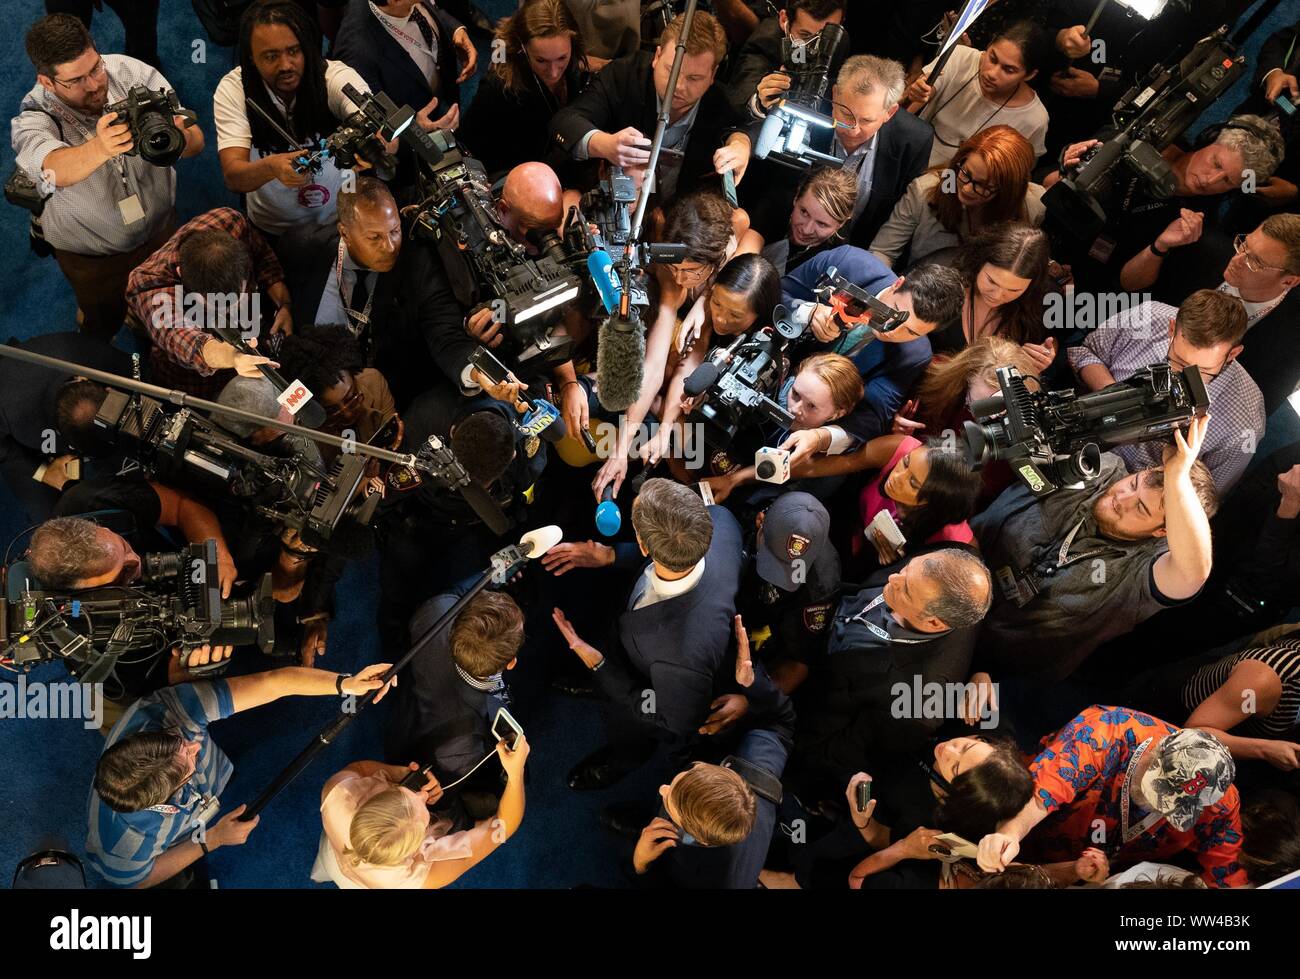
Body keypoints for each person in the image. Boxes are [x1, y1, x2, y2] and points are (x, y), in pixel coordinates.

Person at [551, 478, 790, 789]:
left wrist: (600, 665)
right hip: (636, 643)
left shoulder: (684, 657)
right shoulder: (722, 521)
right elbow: (674, 555)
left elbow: (673, 720)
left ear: (644, 545)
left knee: (630, 733)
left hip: (644, 689)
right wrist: (610, 556)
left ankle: (623, 760)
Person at [86, 666, 394, 887]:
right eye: (190, 758)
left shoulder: (166, 713)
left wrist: (346, 683)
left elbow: (272, 682)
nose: (195, 744)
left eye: (179, 742)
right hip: (182, 835)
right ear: (168, 800)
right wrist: (213, 839)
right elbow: (141, 879)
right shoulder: (123, 847)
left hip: (212, 781)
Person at [972, 418, 1218, 684]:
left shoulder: (1143, 569)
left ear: (1162, 531)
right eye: (1133, 484)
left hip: (1000, 670)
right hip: (956, 561)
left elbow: (1195, 573)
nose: (1121, 499)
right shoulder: (1104, 468)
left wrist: (1178, 477)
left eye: (1141, 509)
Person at [12, 14, 203, 339]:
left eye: (96, 67)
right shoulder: (33, 117)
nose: (96, 84)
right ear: (47, 82)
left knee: (164, 302)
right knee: (101, 318)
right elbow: (53, 168)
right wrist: (101, 147)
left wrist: (176, 136)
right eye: (76, 80)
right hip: (93, 257)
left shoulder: (133, 73)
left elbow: (196, 142)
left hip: (161, 230)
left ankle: (146, 325)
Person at [975, 706, 1248, 888]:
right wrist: (1009, 834)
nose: (1160, 808)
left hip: (1101, 875)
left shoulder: (1218, 799)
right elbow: (1041, 793)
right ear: (1154, 756)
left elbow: (1227, 875)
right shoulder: (1104, 731)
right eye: (1161, 792)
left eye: (1177, 807)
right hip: (1034, 840)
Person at [792, 548, 994, 790]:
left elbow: (832, 752)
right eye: (906, 569)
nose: (893, 579)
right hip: (823, 603)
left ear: (933, 622)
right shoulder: (952, 564)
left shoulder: (914, 709)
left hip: (802, 684)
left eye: (906, 591)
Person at [275, 176, 463, 407]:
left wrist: (470, 372)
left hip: (391, 397)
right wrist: (283, 304)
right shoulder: (303, 248)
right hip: (317, 399)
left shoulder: (418, 263)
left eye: (394, 231)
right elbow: (268, 274)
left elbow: (445, 330)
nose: (390, 246)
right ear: (345, 233)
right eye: (374, 237)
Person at [1045, 115, 1285, 294]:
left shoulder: (1196, 224)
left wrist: (1160, 246)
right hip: (1048, 226)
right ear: (1209, 140)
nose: (1209, 180)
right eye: (1216, 163)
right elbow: (1047, 186)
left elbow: (1127, 284)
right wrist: (1068, 171)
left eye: (1227, 181)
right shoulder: (1142, 140)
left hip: (1083, 280)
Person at [1066, 289, 1262, 492]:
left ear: (1233, 354)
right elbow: (1083, 352)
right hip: (1075, 442)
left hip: (1128, 495)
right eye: (1178, 362)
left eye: (1202, 371)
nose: (1184, 379)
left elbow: (1204, 503)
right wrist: (1114, 396)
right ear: (1171, 329)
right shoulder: (1148, 317)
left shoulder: (1245, 423)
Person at [548, 11, 750, 204]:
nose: (678, 86)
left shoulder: (721, 102)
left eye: (694, 78)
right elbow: (565, 121)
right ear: (657, 56)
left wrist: (741, 145)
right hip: (610, 205)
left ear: (713, 75)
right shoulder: (624, 75)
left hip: (677, 220)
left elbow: (741, 129)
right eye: (671, 71)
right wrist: (605, 144)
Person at [213, 0, 372, 237]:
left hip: (337, 220)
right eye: (270, 56)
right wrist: (271, 168)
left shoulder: (335, 76)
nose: (285, 65)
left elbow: (374, 122)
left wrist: (382, 142)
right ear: (251, 58)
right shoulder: (233, 89)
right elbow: (234, 177)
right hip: (271, 226)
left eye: (293, 51)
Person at [780, 248, 965, 446]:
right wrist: (805, 312)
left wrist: (820, 438)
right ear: (897, 284)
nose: (891, 331)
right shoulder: (848, 264)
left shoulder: (915, 355)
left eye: (911, 332)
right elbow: (775, 292)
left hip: (811, 420)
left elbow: (873, 413)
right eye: (893, 312)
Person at [382, 590, 525, 826]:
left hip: (405, 706)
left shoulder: (437, 612)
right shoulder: (462, 749)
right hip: (423, 744)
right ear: (511, 663)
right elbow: (441, 796)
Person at [312, 736, 527, 888]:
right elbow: (502, 828)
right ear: (415, 850)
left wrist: (400, 772)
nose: (424, 795)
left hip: (336, 854)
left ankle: (323, 873)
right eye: (425, 814)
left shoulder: (337, 795)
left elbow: (359, 769)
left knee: (330, 866)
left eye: (409, 793)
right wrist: (516, 773)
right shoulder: (413, 881)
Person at [126, 207, 291, 397]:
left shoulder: (231, 222)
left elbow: (263, 257)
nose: (235, 306)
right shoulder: (150, 288)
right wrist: (233, 357)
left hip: (249, 331)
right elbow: (186, 340)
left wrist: (284, 305)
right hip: (192, 376)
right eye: (220, 304)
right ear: (181, 275)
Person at [1152, 213, 1300, 414]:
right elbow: (1131, 290)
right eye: (1244, 244)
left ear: (1289, 281)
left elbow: (1256, 409)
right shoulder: (1204, 250)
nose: (1237, 259)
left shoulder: (1292, 340)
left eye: (1255, 262)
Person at [869, 125, 1046, 271]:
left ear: (1008, 191)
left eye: (983, 185)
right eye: (966, 173)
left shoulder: (1034, 206)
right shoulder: (926, 190)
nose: (967, 188)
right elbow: (883, 251)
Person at [0, 332, 134, 522]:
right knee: (55, 522)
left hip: (90, 426)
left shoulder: (101, 360)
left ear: (108, 390)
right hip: (24, 448)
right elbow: (3, 449)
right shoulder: (7, 406)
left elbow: (139, 385)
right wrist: (44, 472)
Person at [892, 335, 1038, 507]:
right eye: (976, 406)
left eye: (998, 412)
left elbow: (982, 498)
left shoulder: (1023, 438)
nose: (982, 420)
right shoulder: (931, 381)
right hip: (897, 480)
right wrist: (893, 429)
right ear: (966, 379)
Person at [629, 731, 787, 889]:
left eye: (670, 807)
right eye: (690, 772)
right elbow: (781, 725)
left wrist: (641, 864)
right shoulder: (760, 749)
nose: (662, 789)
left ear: (702, 840)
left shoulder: (721, 881)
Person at [459, 0, 593, 181]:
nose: (554, 72)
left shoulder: (575, 69)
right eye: (541, 61)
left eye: (562, 58)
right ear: (521, 48)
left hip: (561, 172)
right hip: (515, 181)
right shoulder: (497, 89)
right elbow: (467, 150)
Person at [734, 492, 842, 693]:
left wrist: (751, 698)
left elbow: (797, 665)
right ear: (761, 522)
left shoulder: (819, 590)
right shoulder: (752, 510)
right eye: (772, 558)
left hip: (763, 640)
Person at [905, 22, 1051, 168]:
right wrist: (917, 91)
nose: (992, 74)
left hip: (953, 182)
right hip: (911, 155)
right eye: (992, 59)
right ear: (988, 46)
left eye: (1009, 70)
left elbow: (1017, 174)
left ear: (1030, 75)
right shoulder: (960, 56)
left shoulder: (1034, 119)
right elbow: (915, 100)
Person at [331, 0, 476, 137]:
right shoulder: (357, 56)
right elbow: (378, 127)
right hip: (421, 123)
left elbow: (432, 7)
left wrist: (455, 30)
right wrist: (415, 131)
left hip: (443, 88)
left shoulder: (402, 4)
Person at [849, 435, 982, 570]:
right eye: (906, 463)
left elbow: (973, 570)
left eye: (913, 483)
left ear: (933, 500)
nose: (896, 477)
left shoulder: (951, 539)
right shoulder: (903, 449)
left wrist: (899, 566)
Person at [934, 222, 1053, 370]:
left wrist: (1036, 361)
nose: (997, 296)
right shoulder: (942, 278)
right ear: (979, 262)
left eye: (1014, 290)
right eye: (991, 281)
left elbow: (1050, 342)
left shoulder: (1036, 305)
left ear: (1031, 286)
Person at [275, 324, 398, 451]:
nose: (348, 414)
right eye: (332, 411)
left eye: (351, 399)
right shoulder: (308, 426)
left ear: (354, 375)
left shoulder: (374, 381)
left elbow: (391, 435)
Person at [725, 0, 848, 121]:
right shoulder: (767, 41)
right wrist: (760, 102)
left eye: (825, 38)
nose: (815, 48)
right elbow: (742, 92)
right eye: (805, 35)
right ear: (784, 20)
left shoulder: (839, 42)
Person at [752, 166, 858, 275]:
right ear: (796, 197)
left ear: (842, 223)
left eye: (821, 224)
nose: (806, 230)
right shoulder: (775, 207)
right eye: (804, 212)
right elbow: (749, 247)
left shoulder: (836, 256)